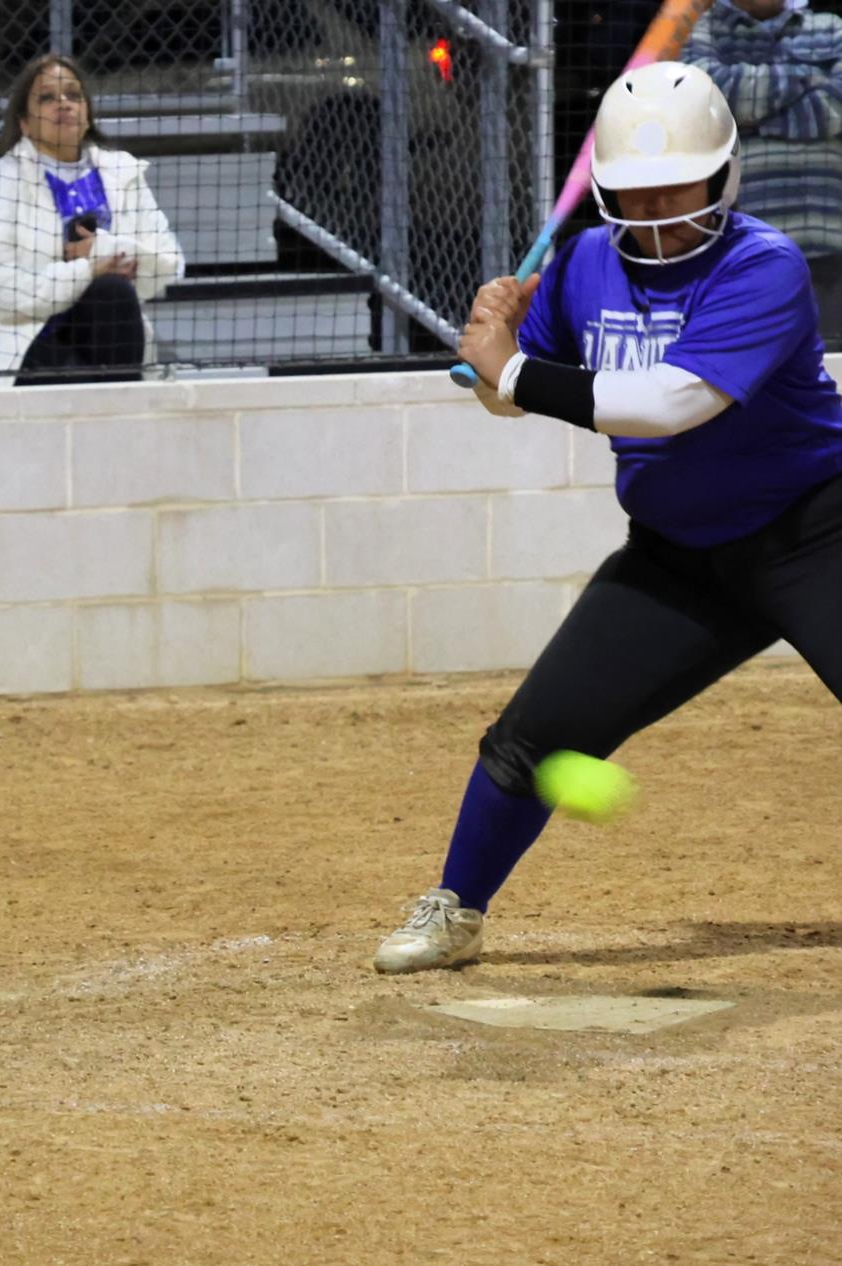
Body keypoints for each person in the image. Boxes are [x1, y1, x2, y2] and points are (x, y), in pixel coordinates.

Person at [375, 62, 842, 974]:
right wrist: (499, 347)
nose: (657, 209)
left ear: (725, 177)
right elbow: (507, 397)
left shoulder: (764, 266)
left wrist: (513, 371)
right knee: (534, 736)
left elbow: (672, 404)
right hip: (676, 560)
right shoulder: (587, 261)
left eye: (680, 185)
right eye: (636, 190)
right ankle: (455, 911)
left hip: (814, 536)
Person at [0, 54, 183, 385]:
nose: (63, 103)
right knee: (87, 372)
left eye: (73, 95)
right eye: (47, 98)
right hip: (15, 343)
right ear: (24, 123)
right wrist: (87, 270)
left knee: (112, 293)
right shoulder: (1, 178)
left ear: (87, 114)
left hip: (103, 335)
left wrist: (101, 252)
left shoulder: (123, 171)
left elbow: (169, 263)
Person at [684, 0, 842, 344]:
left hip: (829, 243)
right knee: (754, 361)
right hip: (742, 251)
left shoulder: (831, 28)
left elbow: (837, 105)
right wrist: (809, 77)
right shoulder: (702, 30)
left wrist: (749, 122)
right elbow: (699, 103)